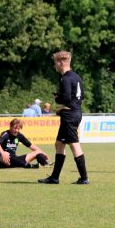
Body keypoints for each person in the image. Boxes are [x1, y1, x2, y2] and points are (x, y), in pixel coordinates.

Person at [38, 51, 89, 185]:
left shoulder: (65, 78)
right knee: (59, 144)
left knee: (74, 145)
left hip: (70, 115)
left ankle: (84, 178)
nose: (54, 65)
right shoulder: (77, 77)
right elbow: (81, 96)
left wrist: (57, 99)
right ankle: (54, 177)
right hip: (75, 112)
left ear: (61, 63)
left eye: (55, 63)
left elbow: (66, 98)